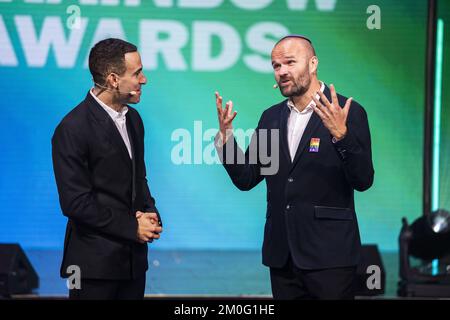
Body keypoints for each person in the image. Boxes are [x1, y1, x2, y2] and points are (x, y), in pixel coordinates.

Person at [214, 35, 374, 299]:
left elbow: (363, 180)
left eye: (290, 62)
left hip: (330, 257)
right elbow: (247, 177)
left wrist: (341, 136)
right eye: (276, 66)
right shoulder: (270, 117)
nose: (282, 72)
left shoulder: (346, 111)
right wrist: (226, 139)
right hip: (283, 255)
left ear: (313, 64)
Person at [52, 38, 162, 300]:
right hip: (93, 268)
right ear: (113, 79)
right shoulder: (72, 128)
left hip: (133, 264)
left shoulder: (134, 119)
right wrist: (132, 227)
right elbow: (75, 203)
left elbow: (138, 179)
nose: (144, 80)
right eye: (137, 73)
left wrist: (151, 213)